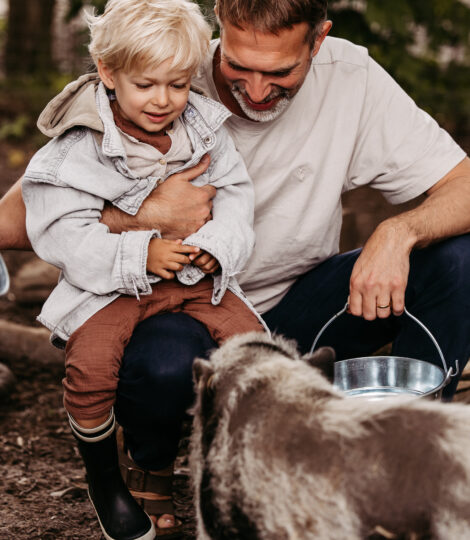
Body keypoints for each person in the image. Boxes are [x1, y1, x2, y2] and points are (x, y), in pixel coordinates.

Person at [1, 0, 470, 532]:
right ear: (220, 22)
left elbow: (464, 185)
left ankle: (407, 451)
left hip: (289, 303)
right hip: (166, 306)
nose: (257, 90)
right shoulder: (167, 63)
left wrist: (397, 231)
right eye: (238, 67)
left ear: (318, 41)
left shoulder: (351, 77)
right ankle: (147, 462)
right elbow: (20, 218)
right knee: (162, 362)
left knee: (457, 258)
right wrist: (144, 214)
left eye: (280, 72)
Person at [20, 1, 264, 539]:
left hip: (193, 281)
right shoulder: (75, 149)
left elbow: (236, 199)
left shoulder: (205, 130)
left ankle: (243, 472)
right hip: (111, 287)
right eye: (146, 84)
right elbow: (59, 231)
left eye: (178, 85)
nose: (164, 100)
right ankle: (106, 482)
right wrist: (140, 252)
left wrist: (214, 245)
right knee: (91, 370)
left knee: (254, 349)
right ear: (108, 73)